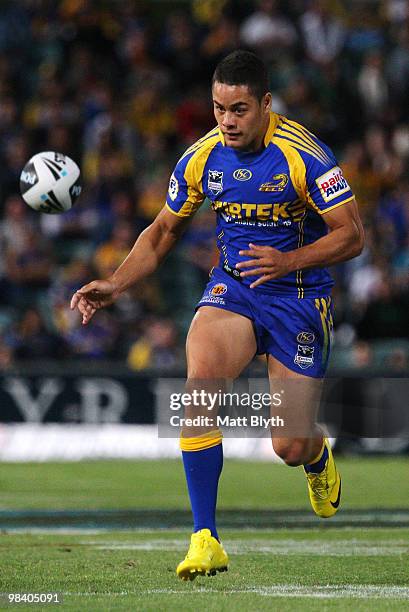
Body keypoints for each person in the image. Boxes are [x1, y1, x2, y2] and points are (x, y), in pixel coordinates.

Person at [70, 50, 364, 581]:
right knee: (199, 389)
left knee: (289, 445)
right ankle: (205, 539)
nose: (227, 120)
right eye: (218, 108)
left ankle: (317, 457)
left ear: (265, 105)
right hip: (235, 290)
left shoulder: (305, 157)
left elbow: (352, 234)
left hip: (298, 295)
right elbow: (163, 231)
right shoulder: (203, 158)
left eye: (239, 109)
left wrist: (289, 259)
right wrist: (115, 282)